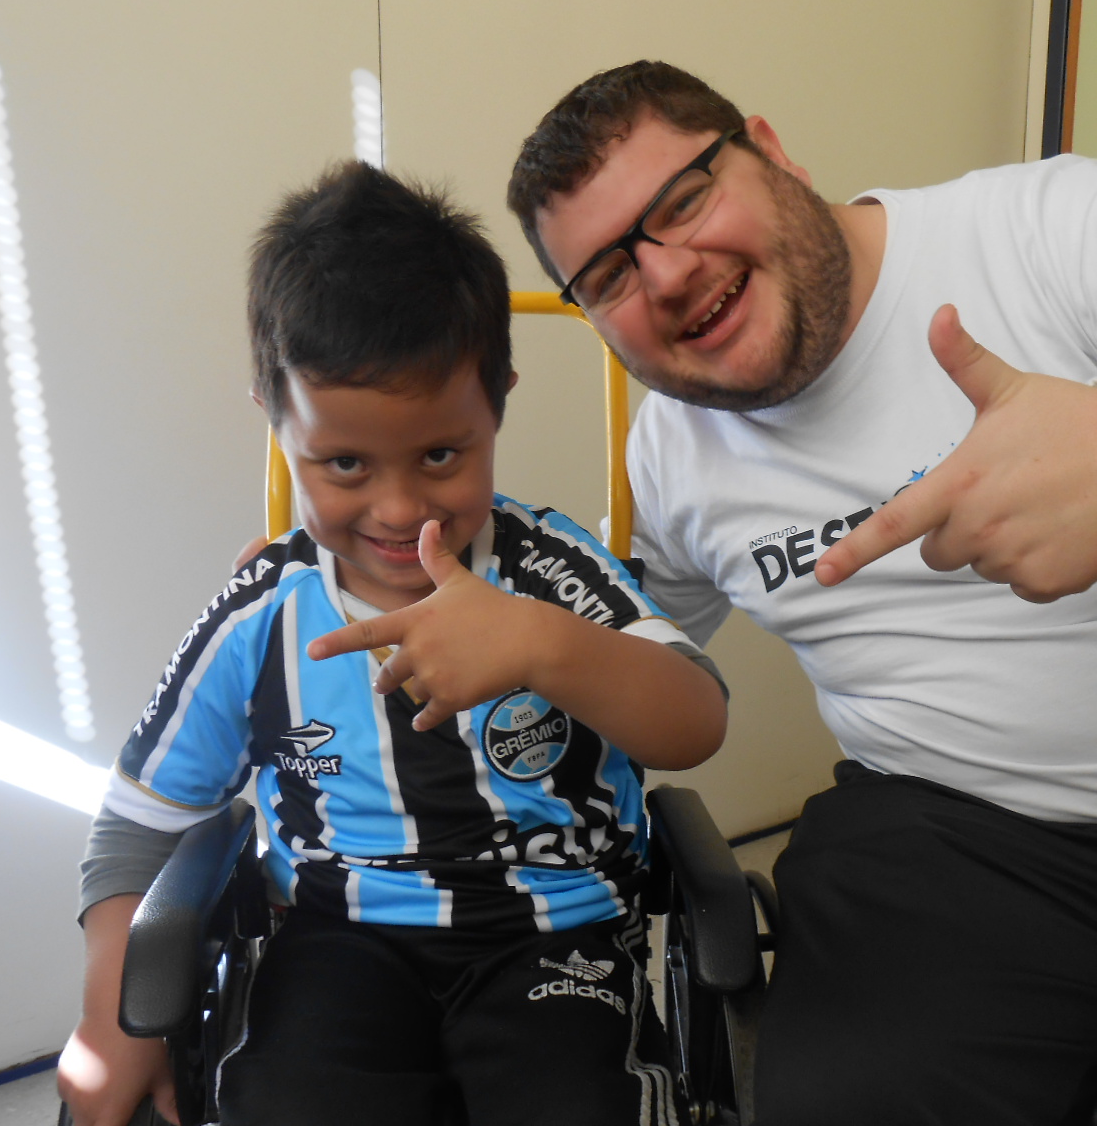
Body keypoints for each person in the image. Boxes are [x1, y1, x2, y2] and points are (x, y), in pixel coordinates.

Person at [317, 62, 1097, 1124]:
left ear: (773, 150)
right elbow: (638, 642)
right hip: (960, 841)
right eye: (610, 273)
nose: (669, 277)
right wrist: (353, 572)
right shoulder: (672, 453)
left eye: (680, 201)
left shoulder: (1060, 228)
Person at [55, 160, 727, 1126]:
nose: (401, 508)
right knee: (289, 1101)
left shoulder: (552, 572)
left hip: (554, 938)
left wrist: (543, 646)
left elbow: (694, 718)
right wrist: (111, 1019)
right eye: (344, 464)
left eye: (442, 455)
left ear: (499, 399)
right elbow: (137, 827)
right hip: (337, 940)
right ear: (277, 421)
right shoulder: (265, 610)